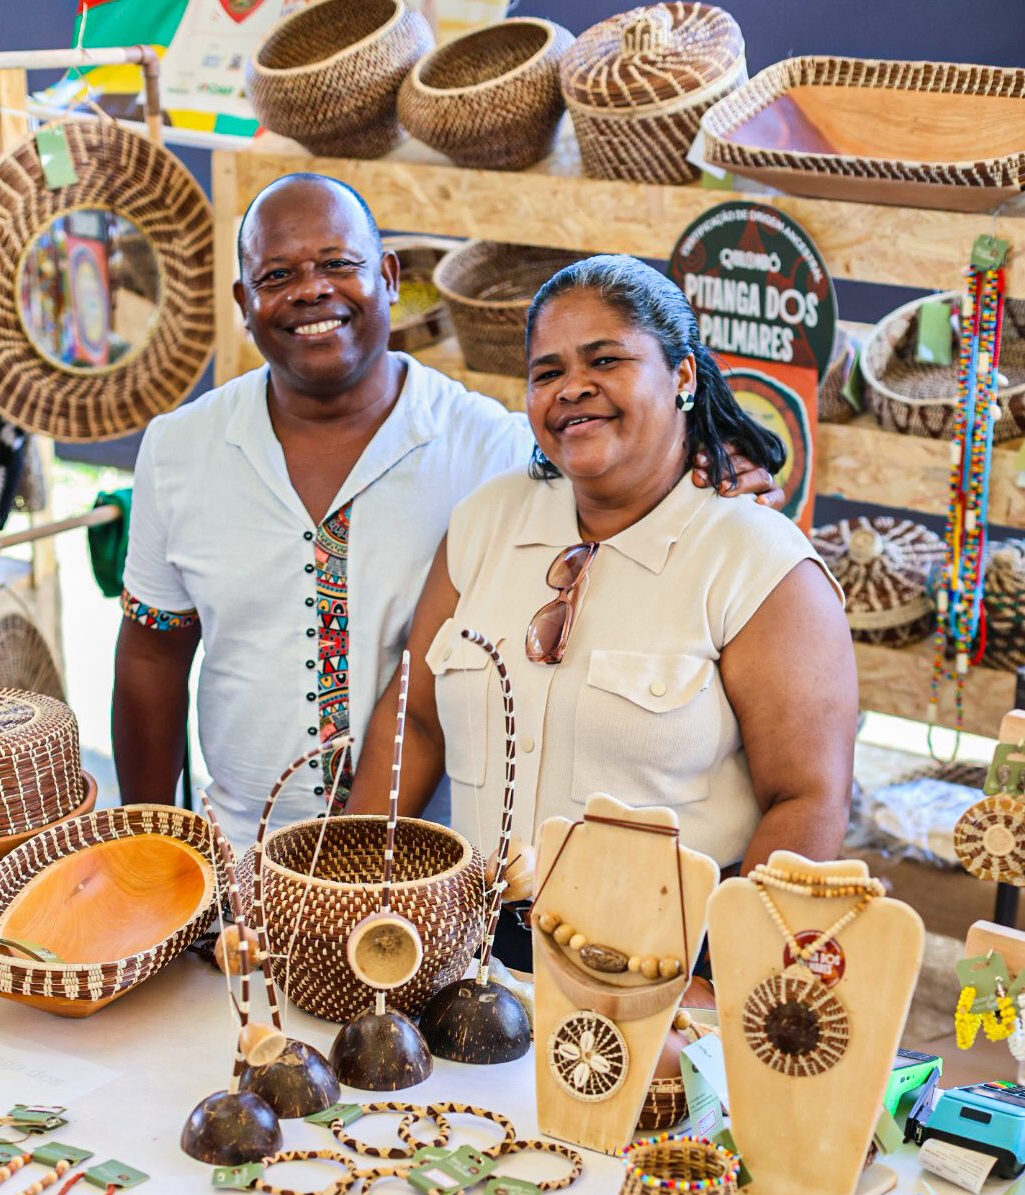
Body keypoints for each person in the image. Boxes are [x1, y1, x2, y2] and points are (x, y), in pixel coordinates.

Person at [114, 176, 784, 851]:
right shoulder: (180, 450)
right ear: (243, 301)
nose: (311, 289)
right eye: (277, 273)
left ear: (389, 275)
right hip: (237, 855)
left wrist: (710, 460)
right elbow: (152, 654)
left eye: (339, 265)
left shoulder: (493, 451)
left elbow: (613, 454)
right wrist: (146, 847)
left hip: (438, 869)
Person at [345, 256, 856, 933]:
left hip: (658, 971)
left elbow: (808, 798)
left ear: (682, 375)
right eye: (547, 372)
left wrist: (725, 981)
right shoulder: (484, 522)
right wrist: (344, 890)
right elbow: (414, 722)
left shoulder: (758, 563)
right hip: (466, 953)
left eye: (605, 361)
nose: (572, 388)